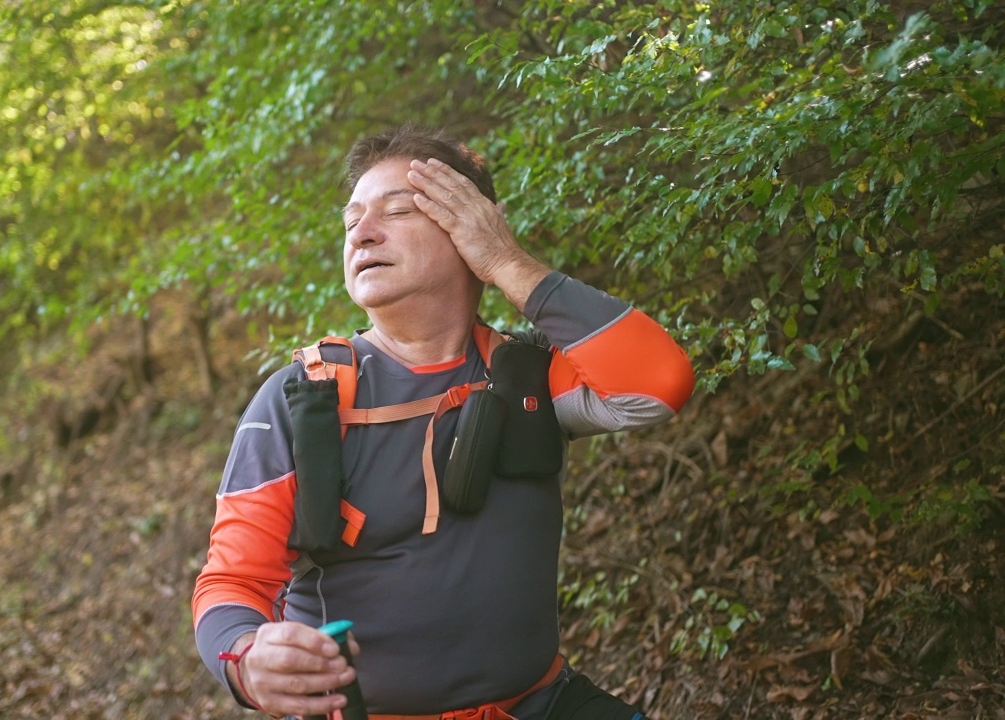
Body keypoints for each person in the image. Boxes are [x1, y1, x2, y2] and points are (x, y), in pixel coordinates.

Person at [192, 127, 695, 719]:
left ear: (469, 227)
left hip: (539, 703)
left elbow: (659, 383)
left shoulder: (530, 376)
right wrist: (248, 658)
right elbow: (232, 584)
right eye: (351, 221)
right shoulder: (303, 400)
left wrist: (506, 260)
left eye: (397, 210)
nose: (363, 233)